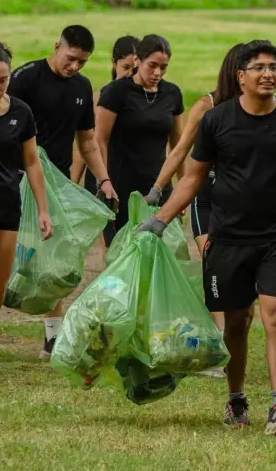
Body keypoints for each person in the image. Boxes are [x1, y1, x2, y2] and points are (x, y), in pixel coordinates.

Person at [138, 39, 276, 436]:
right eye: (259, 67)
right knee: (236, 323)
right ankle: (237, 397)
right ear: (240, 76)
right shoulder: (217, 120)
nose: (268, 74)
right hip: (228, 239)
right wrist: (159, 220)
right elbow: (192, 178)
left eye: (274, 66)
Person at [9, 24, 117, 360]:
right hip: (12, 178)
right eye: (71, 58)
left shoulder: (82, 87)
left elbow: (86, 141)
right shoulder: (25, 78)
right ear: (57, 46)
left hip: (53, 185)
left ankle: (52, 338)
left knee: (54, 260)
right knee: (3, 259)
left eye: (82, 62)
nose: (75, 67)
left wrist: (104, 179)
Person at [145, 43, 248, 378]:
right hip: (208, 199)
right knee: (215, 267)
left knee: (242, 282)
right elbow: (179, 151)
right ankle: (215, 345)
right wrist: (158, 190)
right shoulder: (208, 106)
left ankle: (229, 341)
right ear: (237, 72)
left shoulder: (262, 107)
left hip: (244, 203)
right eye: (253, 68)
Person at [0, 41, 53, 381]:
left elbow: (32, 163)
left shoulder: (21, 112)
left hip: (6, 203)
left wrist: (44, 210)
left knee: (0, 285)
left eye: (2, 80)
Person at [96, 34, 184, 244]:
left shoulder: (172, 94)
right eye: (152, 65)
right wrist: (104, 181)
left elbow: (179, 147)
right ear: (137, 61)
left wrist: (181, 190)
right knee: (120, 253)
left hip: (158, 185)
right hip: (121, 186)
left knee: (158, 252)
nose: (157, 73)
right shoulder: (115, 92)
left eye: (163, 67)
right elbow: (99, 139)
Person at [71, 35, 140, 193]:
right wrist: (73, 185)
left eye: (135, 69)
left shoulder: (147, 101)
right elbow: (85, 143)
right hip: (102, 179)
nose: (129, 74)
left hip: (134, 179)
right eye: (125, 67)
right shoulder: (99, 99)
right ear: (114, 63)